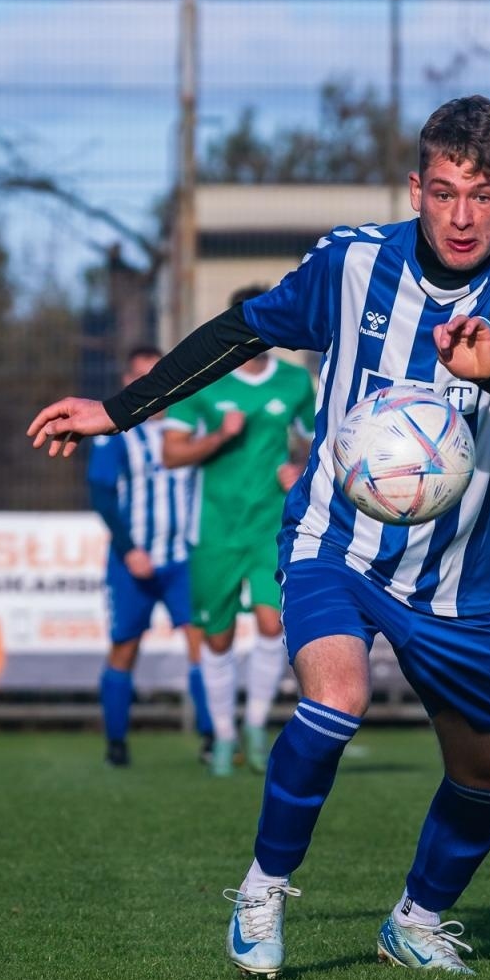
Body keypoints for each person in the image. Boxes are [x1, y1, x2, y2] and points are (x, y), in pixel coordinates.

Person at [27, 95, 490, 979]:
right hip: (335, 541)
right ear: (416, 189)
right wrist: (118, 409)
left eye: (482, 196)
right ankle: (263, 890)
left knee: (487, 775)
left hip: (454, 582)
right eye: (444, 192)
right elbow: (240, 330)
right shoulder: (352, 262)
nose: (462, 216)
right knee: (337, 698)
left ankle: (415, 919)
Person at [160, 285, 316, 778]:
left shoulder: (294, 381)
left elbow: (323, 441)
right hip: (214, 529)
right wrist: (218, 437)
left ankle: (255, 727)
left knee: (273, 624)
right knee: (218, 637)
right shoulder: (204, 379)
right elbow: (171, 454)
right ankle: (224, 735)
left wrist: (301, 470)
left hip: (271, 526)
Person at [88, 346, 209, 766]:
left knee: (201, 644)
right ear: (127, 381)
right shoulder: (115, 432)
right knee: (124, 647)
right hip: (134, 561)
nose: (148, 383)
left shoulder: (189, 426)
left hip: (183, 559)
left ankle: (212, 739)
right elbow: (102, 496)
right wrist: (128, 550)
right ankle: (116, 743)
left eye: (155, 374)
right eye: (139, 376)